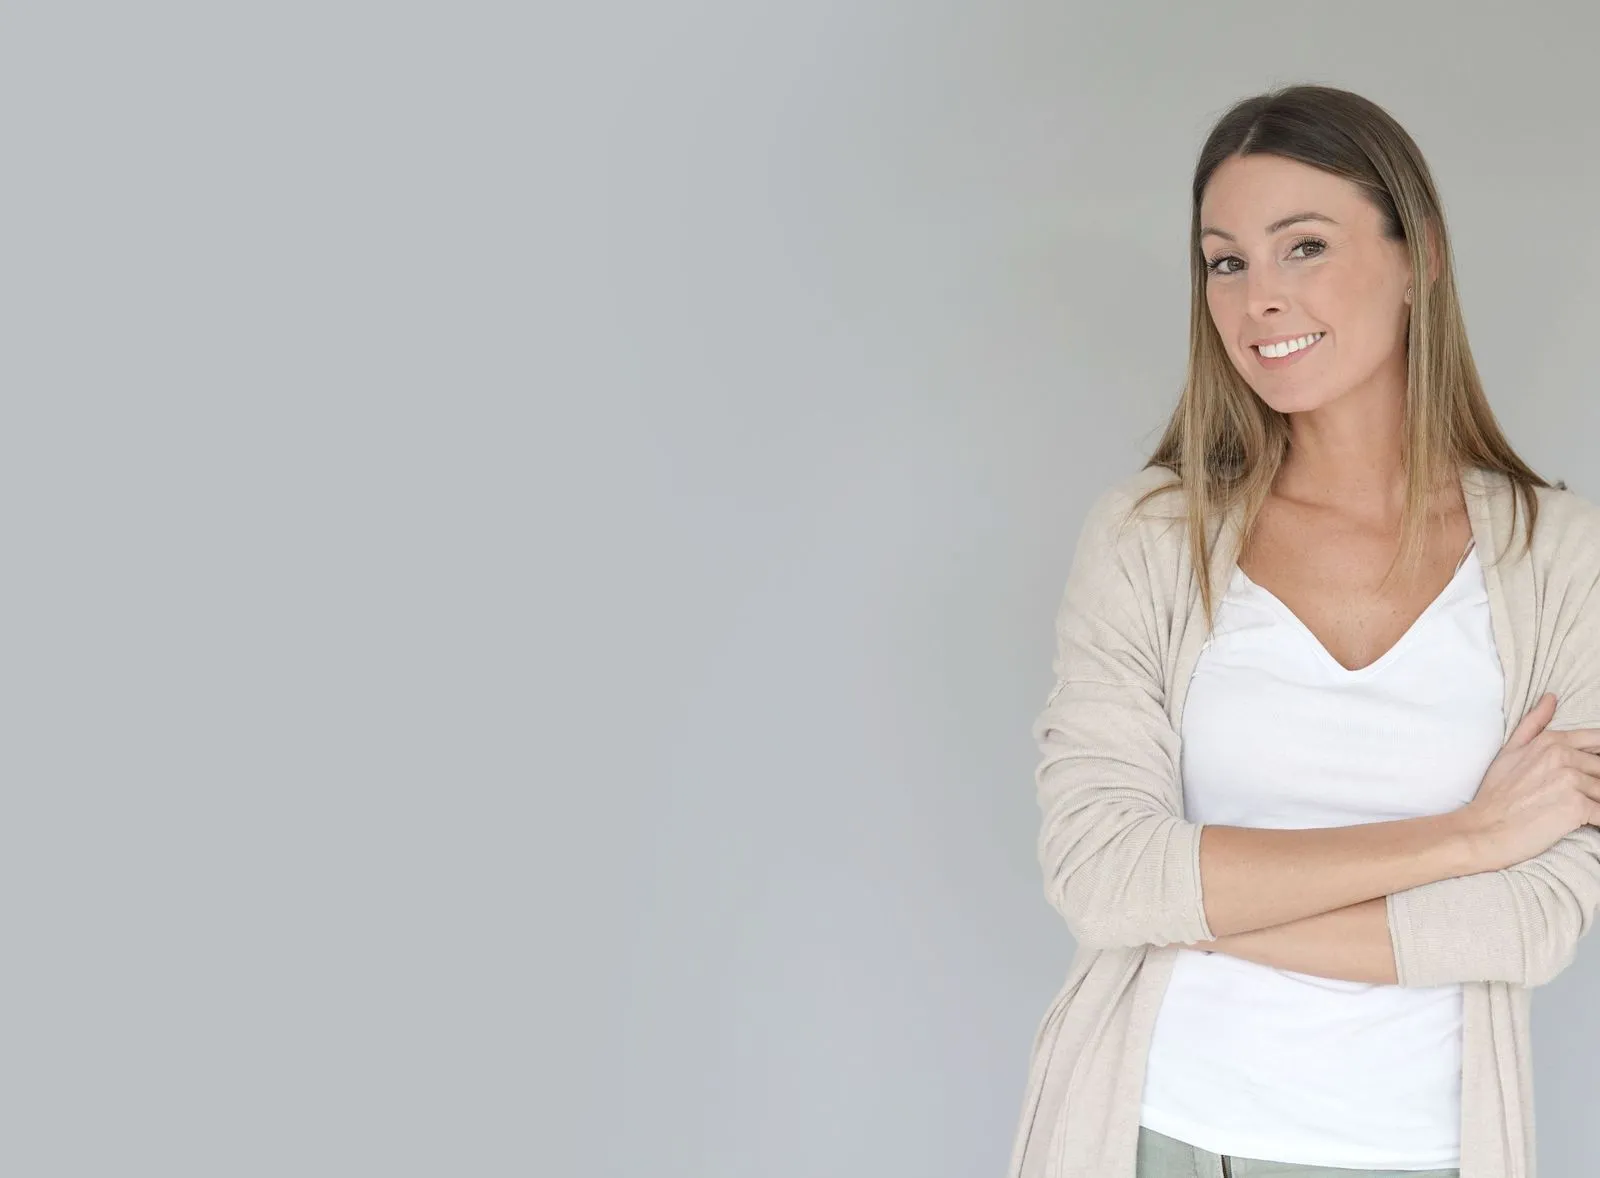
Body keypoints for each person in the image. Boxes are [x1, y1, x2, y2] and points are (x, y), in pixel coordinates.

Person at [1006, 84, 1600, 1178]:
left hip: (1417, 1148)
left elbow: (1536, 919)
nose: (1257, 300)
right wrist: (1464, 838)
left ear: (1417, 254)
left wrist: (1185, 905)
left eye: (1304, 246)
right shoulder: (1149, 537)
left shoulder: (1558, 558)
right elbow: (1100, 873)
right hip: (1155, 1129)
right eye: (1225, 261)